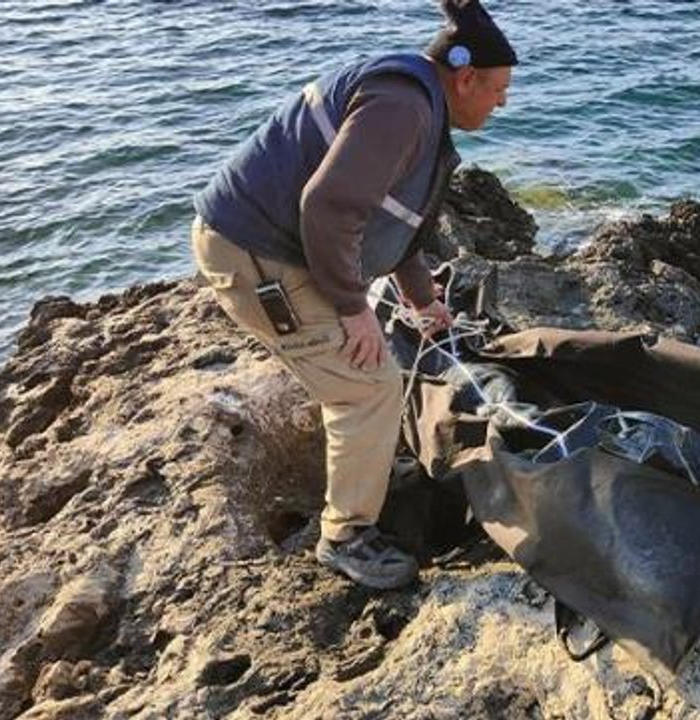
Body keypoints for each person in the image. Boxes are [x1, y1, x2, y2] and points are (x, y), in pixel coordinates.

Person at [189, 0, 515, 589]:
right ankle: (345, 536)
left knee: (368, 372)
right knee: (367, 386)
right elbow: (330, 206)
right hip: (254, 254)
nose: (503, 103)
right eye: (497, 89)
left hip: (276, 244)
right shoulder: (403, 108)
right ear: (464, 78)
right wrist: (351, 306)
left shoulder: (415, 99)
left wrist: (421, 299)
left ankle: (366, 472)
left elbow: (390, 218)